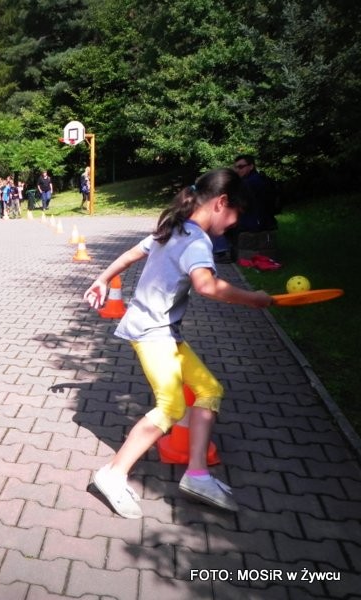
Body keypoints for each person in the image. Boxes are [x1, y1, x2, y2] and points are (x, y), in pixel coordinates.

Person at [83, 168, 272, 519]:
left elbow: (130, 255)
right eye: (236, 214)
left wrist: (102, 278)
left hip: (163, 332)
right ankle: (112, 474)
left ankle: (197, 475)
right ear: (221, 203)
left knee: (209, 390)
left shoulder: (175, 227)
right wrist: (254, 299)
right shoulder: (196, 240)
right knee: (170, 407)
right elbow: (206, 285)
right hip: (152, 332)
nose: (235, 223)